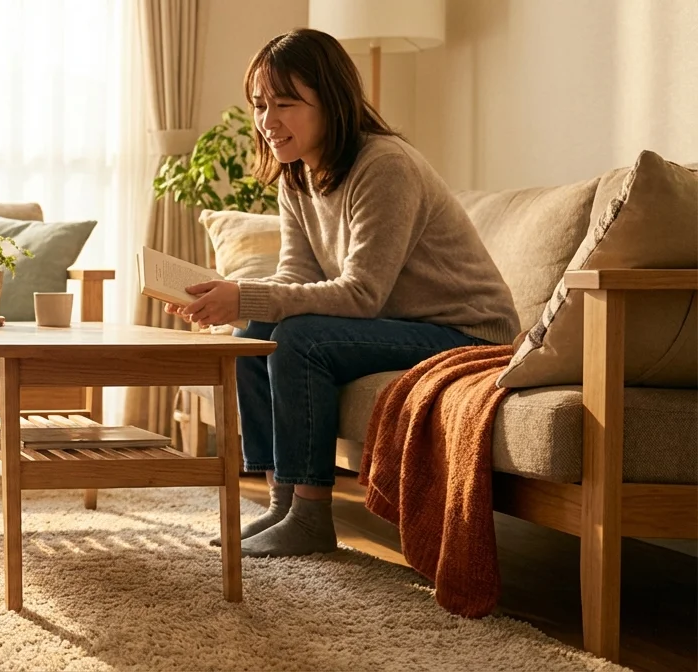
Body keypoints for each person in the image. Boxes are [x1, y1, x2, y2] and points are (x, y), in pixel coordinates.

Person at [171, 29, 520, 558]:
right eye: (260, 105)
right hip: (400, 326)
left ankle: (311, 516)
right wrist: (230, 301)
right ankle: (282, 503)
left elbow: (362, 295)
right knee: (253, 336)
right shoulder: (298, 176)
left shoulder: (384, 165)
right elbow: (294, 275)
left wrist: (245, 295)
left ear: (331, 102)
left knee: (297, 338)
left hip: (465, 332)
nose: (268, 122)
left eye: (285, 104)